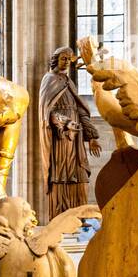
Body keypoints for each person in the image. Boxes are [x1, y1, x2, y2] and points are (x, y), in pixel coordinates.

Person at [38, 46, 102, 221]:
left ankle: (79, 219)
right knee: (61, 176)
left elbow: (80, 110)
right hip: (60, 139)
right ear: (55, 60)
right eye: (63, 58)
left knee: (80, 176)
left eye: (69, 59)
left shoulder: (68, 82)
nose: (66, 62)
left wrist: (92, 137)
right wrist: (66, 123)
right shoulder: (49, 79)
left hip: (76, 138)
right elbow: (47, 113)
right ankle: (60, 219)